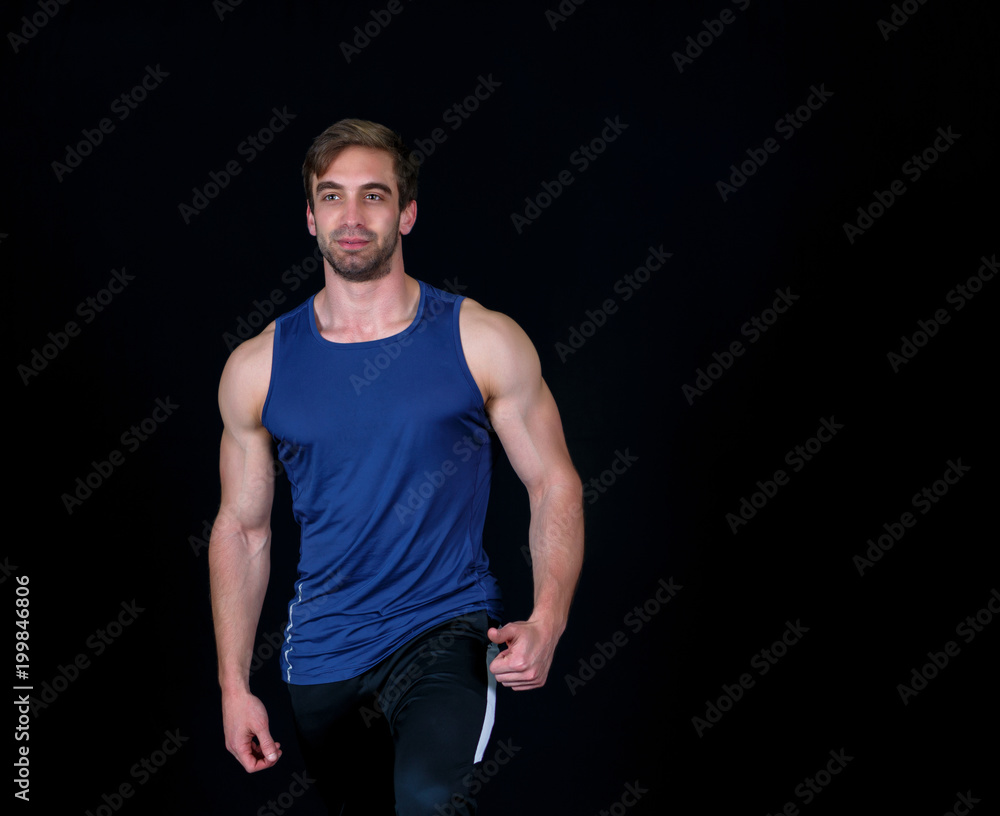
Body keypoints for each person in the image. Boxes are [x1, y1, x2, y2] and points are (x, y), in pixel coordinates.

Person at [208, 118, 584, 815]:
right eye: (332, 196)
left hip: (445, 629)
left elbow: (552, 482)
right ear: (310, 217)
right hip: (323, 654)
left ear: (407, 213)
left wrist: (549, 618)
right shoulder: (259, 367)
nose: (351, 217)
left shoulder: (480, 339)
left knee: (423, 800)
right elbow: (243, 529)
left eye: (373, 195)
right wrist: (234, 685)